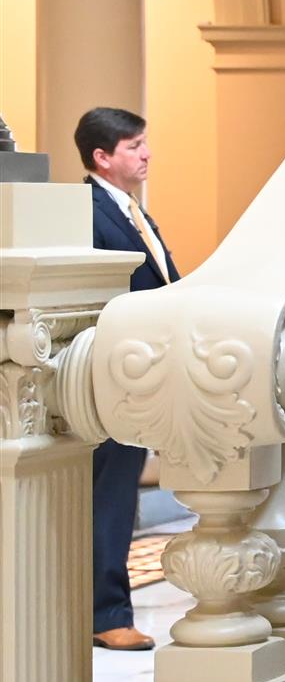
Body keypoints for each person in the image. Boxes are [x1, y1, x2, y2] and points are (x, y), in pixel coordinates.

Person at [78, 106, 175, 651]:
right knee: (110, 500)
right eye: (135, 146)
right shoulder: (86, 210)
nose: (147, 154)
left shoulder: (132, 209)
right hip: (112, 372)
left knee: (116, 500)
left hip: (140, 370)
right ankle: (106, 614)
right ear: (102, 156)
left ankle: (104, 609)